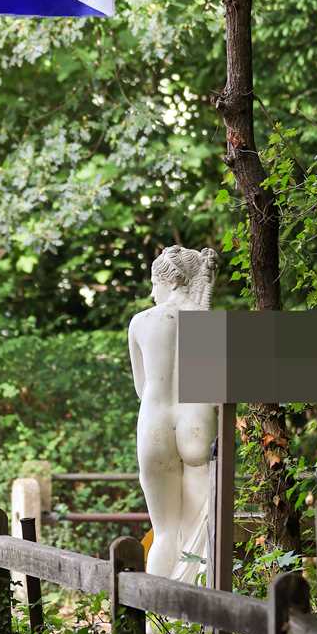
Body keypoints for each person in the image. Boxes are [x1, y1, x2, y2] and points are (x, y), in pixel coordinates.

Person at [128, 247, 218, 582]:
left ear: (172, 280)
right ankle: (199, 626)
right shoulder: (210, 321)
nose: (152, 292)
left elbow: (142, 388)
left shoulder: (141, 322)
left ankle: (157, 622)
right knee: (201, 530)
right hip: (197, 423)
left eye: (155, 283)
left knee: (164, 532)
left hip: (154, 423)